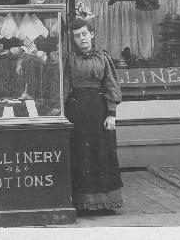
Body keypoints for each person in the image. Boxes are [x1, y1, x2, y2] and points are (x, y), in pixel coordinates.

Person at [64, 18, 123, 213]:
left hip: (99, 112)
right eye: (77, 36)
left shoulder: (102, 58)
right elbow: (64, 88)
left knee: (101, 153)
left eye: (84, 34)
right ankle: (83, 203)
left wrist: (111, 114)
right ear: (73, 39)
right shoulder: (69, 59)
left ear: (92, 34)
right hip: (76, 112)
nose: (82, 38)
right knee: (81, 154)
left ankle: (106, 203)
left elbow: (111, 85)